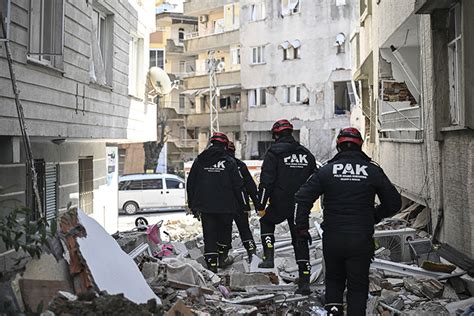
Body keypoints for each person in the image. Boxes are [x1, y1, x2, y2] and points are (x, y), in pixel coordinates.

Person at [294, 127, 401, 315]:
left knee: (334, 281)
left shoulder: (326, 171)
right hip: (361, 238)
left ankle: (334, 312)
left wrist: (302, 228)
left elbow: (302, 198)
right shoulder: (372, 171)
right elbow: (394, 203)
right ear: (360, 146)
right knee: (358, 287)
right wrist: (374, 216)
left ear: (338, 146)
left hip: (333, 238)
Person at [257, 119, 317, 294]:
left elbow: (266, 181)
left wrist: (261, 203)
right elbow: (315, 180)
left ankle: (268, 257)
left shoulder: (273, 153)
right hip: (302, 204)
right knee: (300, 239)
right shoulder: (306, 154)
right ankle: (305, 281)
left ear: (276, 135)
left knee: (266, 222)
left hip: (280, 201)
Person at [186, 132, 247, 273]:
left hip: (206, 206)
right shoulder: (229, 161)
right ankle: (222, 257)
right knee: (225, 232)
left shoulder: (200, 160)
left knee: (209, 234)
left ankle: (212, 265)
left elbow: (191, 184)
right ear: (225, 145)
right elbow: (238, 185)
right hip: (226, 206)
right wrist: (243, 205)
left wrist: (192, 205)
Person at [226, 141, 261, 262]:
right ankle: (252, 252)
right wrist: (258, 204)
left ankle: (223, 256)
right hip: (241, 203)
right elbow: (251, 187)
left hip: (224, 205)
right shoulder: (240, 165)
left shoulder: (220, 165)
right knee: (244, 229)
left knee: (225, 230)